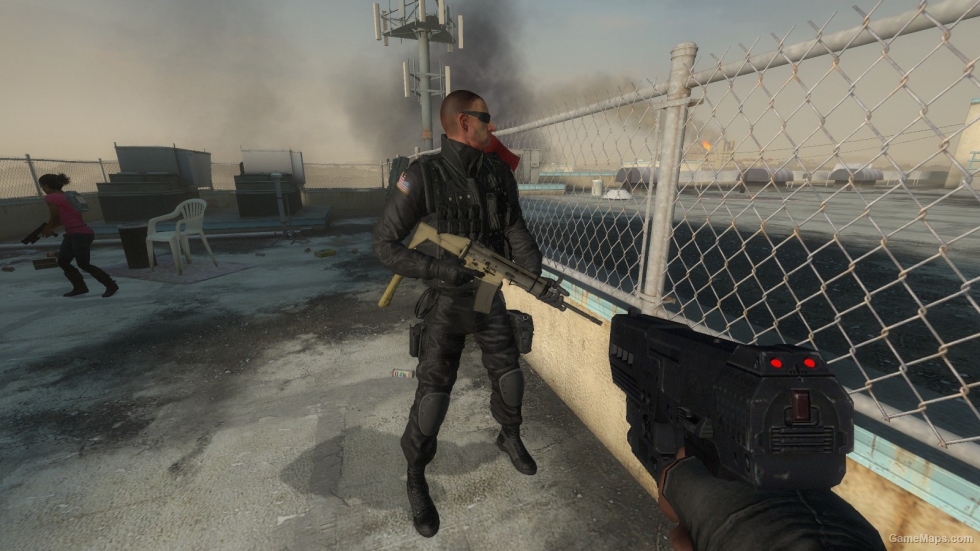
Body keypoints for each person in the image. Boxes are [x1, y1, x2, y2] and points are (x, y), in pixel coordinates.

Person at [372, 90, 561, 538]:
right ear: (463, 122)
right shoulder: (422, 175)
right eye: (485, 118)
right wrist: (438, 268)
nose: (492, 126)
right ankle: (416, 475)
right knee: (433, 397)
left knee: (509, 377)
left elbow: (513, 226)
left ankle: (509, 435)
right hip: (445, 301)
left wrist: (531, 272)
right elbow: (385, 244)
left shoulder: (497, 172)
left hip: (488, 294)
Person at [657, 446, 887, 551]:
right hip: (737, 521)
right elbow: (679, 540)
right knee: (678, 471)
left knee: (685, 461)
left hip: (850, 528)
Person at [39, 173, 119, 298]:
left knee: (82, 263)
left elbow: (55, 217)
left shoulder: (51, 197)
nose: (43, 189)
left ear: (47, 185)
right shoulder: (67, 196)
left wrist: (49, 228)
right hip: (78, 233)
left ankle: (110, 285)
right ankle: (80, 287)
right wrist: (49, 228)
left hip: (78, 234)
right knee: (64, 261)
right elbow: (63, 218)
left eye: (42, 186)